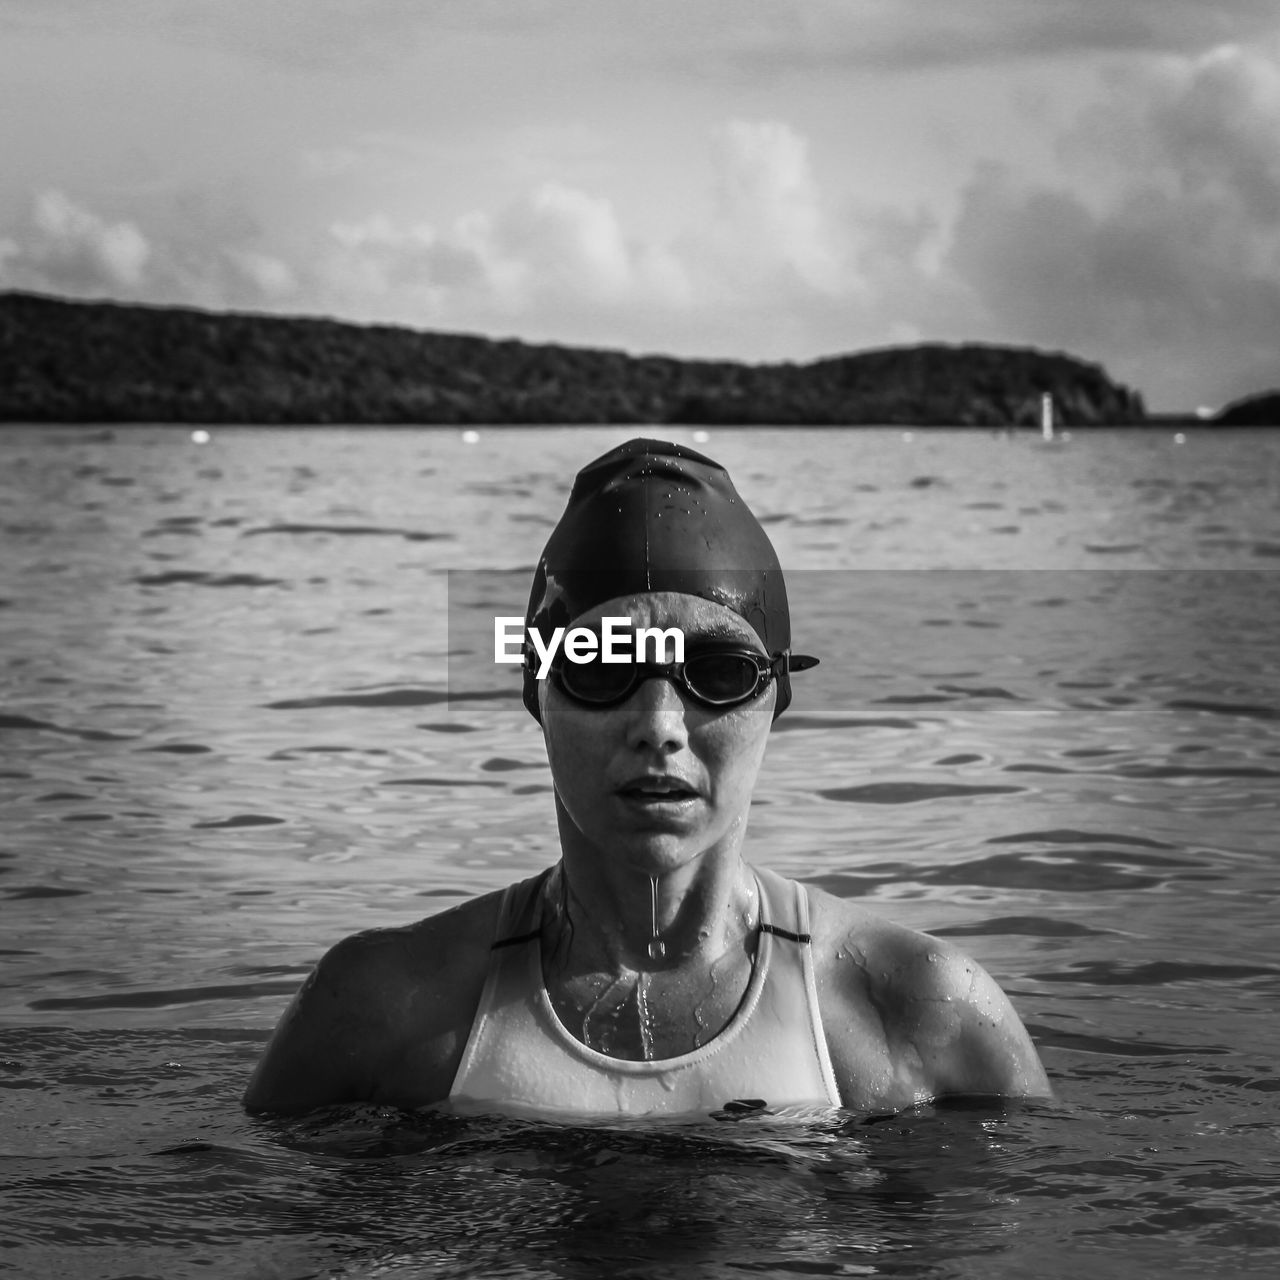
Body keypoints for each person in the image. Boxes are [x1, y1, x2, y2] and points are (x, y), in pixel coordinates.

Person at [244, 438, 1049, 1117]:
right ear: (537, 693)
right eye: (600, 668)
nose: (660, 725)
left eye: (721, 672)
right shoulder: (382, 1011)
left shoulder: (919, 1015)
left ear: (777, 697)